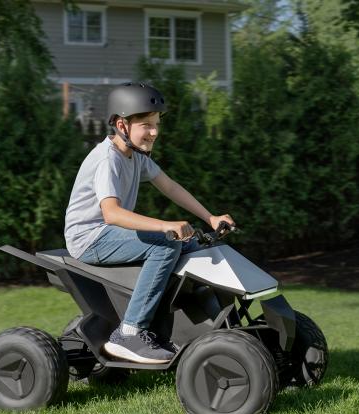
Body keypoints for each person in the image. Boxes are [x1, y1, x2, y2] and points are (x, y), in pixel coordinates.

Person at [64, 82, 234, 363]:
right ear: (122, 124)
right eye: (146, 125)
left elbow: (170, 187)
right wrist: (163, 225)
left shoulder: (136, 156)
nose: (154, 132)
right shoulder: (108, 159)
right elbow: (112, 214)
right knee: (164, 246)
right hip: (89, 238)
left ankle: (191, 322)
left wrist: (210, 217)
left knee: (192, 242)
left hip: (108, 233)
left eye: (156, 124)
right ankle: (129, 333)